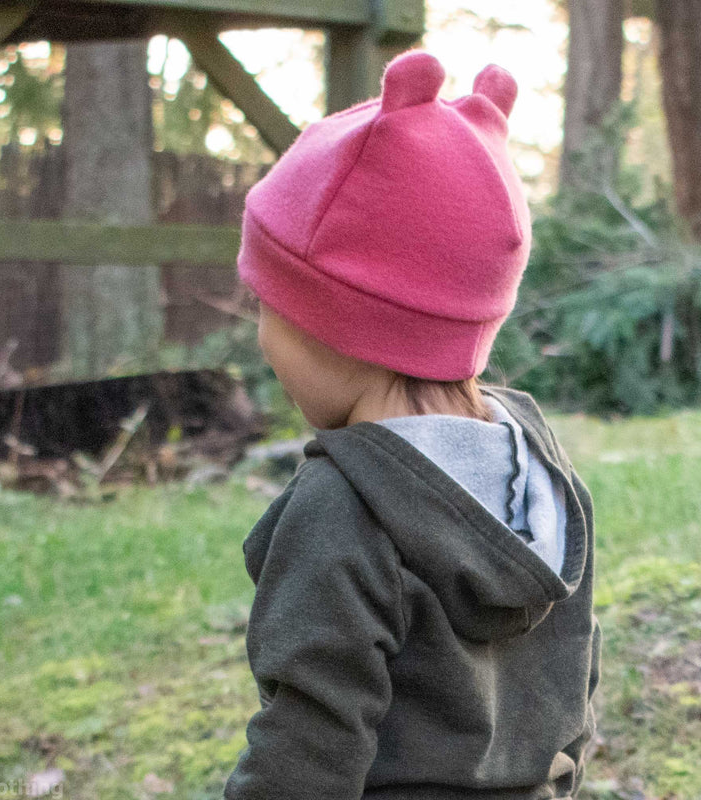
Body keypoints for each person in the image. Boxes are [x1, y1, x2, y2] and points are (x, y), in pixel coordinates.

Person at [222, 50, 601, 800]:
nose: (261, 337)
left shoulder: (341, 508)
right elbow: (576, 684)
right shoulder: (543, 474)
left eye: (269, 303)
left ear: (335, 328)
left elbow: (306, 746)